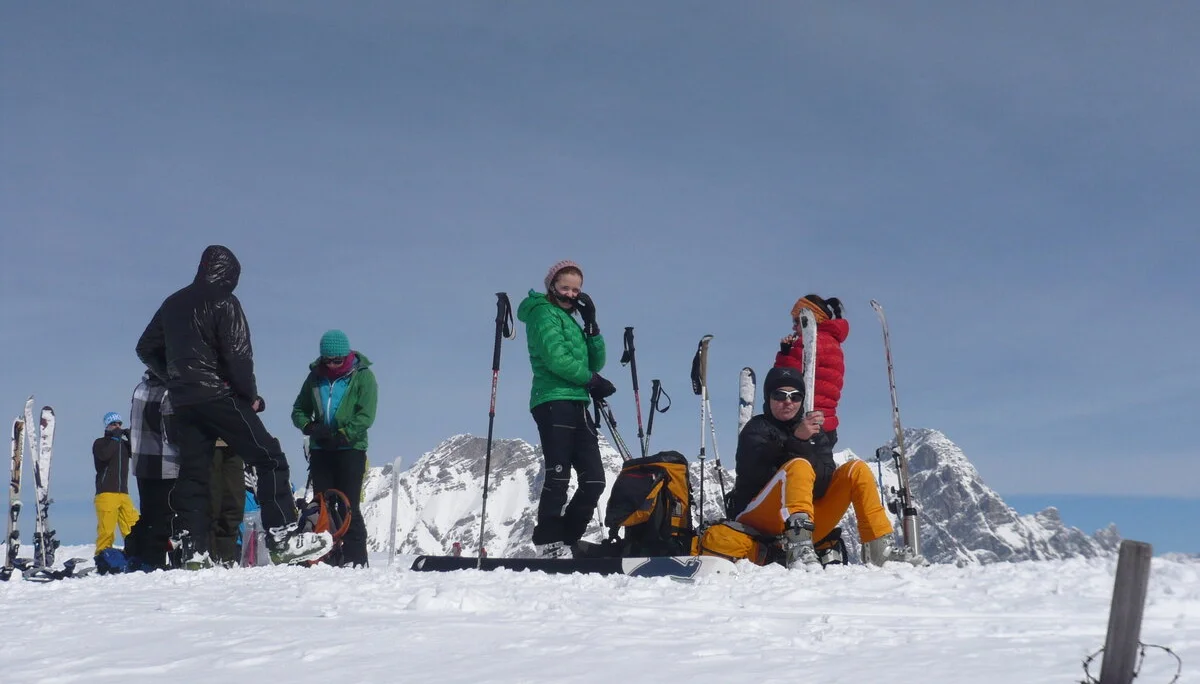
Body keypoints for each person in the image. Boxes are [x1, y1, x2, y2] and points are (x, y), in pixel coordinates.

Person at [135, 244, 331, 567]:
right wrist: (249, 396)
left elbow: (145, 348)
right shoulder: (225, 301)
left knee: (194, 475)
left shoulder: (171, 304)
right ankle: (281, 536)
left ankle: (193, 550)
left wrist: (173, 378)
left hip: (183, 403)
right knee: (269, 458)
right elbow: (239, 357)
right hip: (218, 396)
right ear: (228, 275)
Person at [729, 367, 918, 568]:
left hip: (804, 519)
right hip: (757, 520)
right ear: (768, 397)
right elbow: (755, 477)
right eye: (779, 395)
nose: (788, 401)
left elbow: (823, 485)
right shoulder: (755, 430)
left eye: (795, 396)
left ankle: (879, 550)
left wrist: (801, 443)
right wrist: (797, 442)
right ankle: (798, 548)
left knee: (857, 469)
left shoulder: (815, 433)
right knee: (799, 466)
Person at [517, 259, 615, 559]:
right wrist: (591, 380)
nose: (571, 294)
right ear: (552, 287)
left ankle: (568, 540)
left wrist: (592, 326)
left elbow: (595, 362)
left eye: (577, 290)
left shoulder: (572, 321)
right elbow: (556, 360)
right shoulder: (543, 314)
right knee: (558, 474)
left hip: (577, 402)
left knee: (595, 479)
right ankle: (548, 542)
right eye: (565, 287)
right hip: (552, 400)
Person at [291, 329, 378, 568]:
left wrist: (343, 435)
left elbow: (366, 414)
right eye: (327, 360)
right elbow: (298, 410)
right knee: (323, 503)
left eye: (337, 360)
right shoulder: (315, 377)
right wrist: (310, 427)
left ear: (347, 356)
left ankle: (355, 558)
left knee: (348, 503)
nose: (332, 365)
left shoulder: (363, 376)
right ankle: (326, 555)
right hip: (321, 450)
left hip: (351, 448)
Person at [774, 294, 848, 449]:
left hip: (805, 423)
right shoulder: (833, 342)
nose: (793, 327)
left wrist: (785, 353)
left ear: (809, 318)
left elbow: (784, 379)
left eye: (796, 321)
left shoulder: (811, 343)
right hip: (827, 423)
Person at [127, 372, 178, 568]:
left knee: (148, 515)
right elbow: (172, 433)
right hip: (165, 462)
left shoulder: (141, 388)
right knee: (166, 517)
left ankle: (143, 559)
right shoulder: (168, 391)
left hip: (142, 462)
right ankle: (155, 563)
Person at [93, 412, 140, 554]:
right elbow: (105, 455)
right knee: (106, 530)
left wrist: (131, 436)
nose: (117, 426)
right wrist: (115, 438)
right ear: (107, 426)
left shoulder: (123, 445)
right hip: (106, 493)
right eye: (114, 424)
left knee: (132, 525)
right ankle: (102, 557)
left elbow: (137, 453)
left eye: (120, 424)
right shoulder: (100, 443)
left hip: (123, 494)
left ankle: (135, 554)